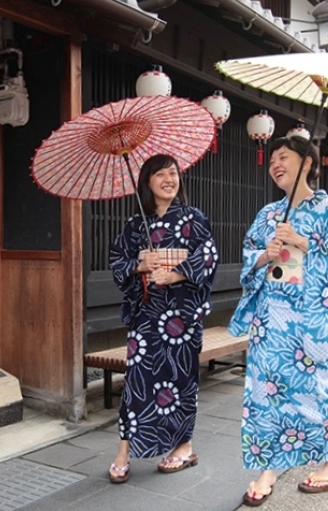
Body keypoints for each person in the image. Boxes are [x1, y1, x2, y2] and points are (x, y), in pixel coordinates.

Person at [228, 136, 328, 506]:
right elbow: (248, 260)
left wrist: (301, 241)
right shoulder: (268, 213)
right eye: (272, 160)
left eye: (285, 157)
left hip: (308, 318)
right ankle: (267, 467)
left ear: (308, 163)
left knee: (310, 388)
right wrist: (265, 255)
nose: (275, 164)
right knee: (263, 391)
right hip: (270, 317)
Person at [107, 153, 219, 483]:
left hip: (182, 316)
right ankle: (124, 450)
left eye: (173, 173)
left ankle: (183, 446)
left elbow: (209, 254)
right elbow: (117, 261)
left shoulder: (193, 218)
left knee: (181, 380)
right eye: (160, 175)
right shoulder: (133, 225)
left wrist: (178, 274)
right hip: (146, 314)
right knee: (137, 382)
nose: (169, 179)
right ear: (147, 182)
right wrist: (139, 266)